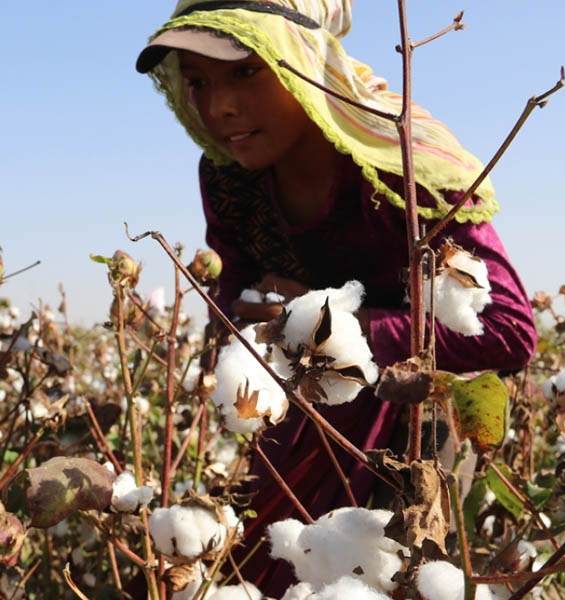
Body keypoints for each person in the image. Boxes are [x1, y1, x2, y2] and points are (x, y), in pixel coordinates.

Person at [136, 1, 536, 595]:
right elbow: (234, 300)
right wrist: (248, 324)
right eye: (197, 82)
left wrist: (327, 322)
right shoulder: (227, 177)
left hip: (413, 428)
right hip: (302, 425)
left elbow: (508, 330)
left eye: (245, 72)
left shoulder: (404, 161)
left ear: (303, 61)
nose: (218, 107)